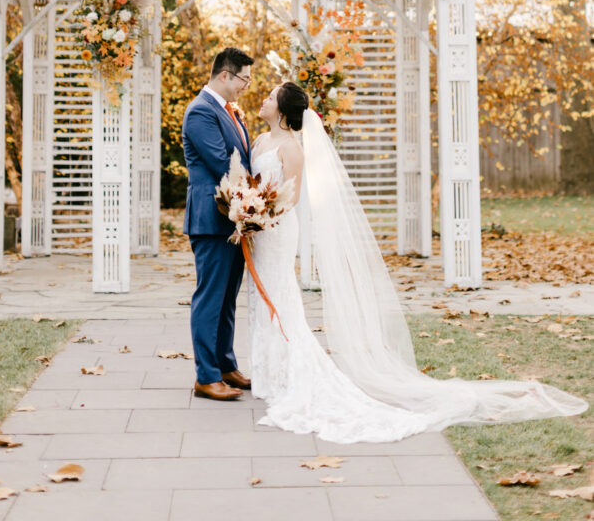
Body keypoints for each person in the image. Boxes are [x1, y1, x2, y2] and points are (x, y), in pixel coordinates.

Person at [247, 81, 588, 442]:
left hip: (278, 230)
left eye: (270, 96)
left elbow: (291, 195)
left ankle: (289, 373)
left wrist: (259, 214)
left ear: (282, 111)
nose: (264, 99)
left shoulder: (291, 149)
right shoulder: (259, 141)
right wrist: (247, 210)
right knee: (261, 296)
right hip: (259, 231)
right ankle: (269, 372)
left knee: (281, 296)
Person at [182, 46, 254, 401]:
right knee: (210, 298)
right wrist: (256, 196)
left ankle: (226, 365)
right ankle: (205, 376)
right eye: (243, 78)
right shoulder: (200, 111)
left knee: (227, 299)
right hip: (212, 219)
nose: (246, 86)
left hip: (233, 220)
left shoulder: (230, 112)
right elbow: (222, 163)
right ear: (224, 75)